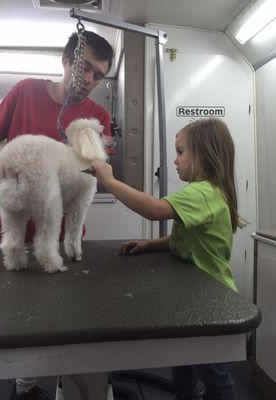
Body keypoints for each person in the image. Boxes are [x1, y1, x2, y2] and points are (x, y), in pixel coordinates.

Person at [0, 31, 113, 400]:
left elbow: (92, 174)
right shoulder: (24, 90)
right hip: (7, 229)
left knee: (47, 324)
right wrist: (13, 154)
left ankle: (25, 387)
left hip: (61, 241)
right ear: (66, 61)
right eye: (84, 68)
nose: (89, 80)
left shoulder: (98, 116)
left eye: (98, 76)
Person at [92, 118, 242, 400]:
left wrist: (110, 182)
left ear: (204, 154)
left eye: (181, 152)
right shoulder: (204, 193)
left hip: (210, 301)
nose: (175, 160)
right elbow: (182, 237)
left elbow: (155, 210)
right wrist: (151, 244)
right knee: (184, 359)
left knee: (214, 374)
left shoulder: (203, 193)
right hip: (193, 295)